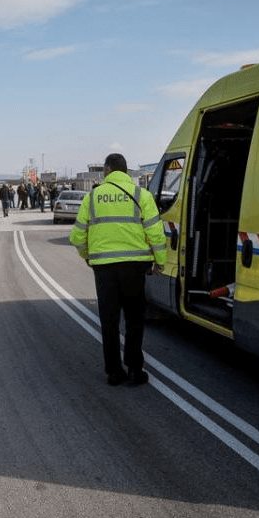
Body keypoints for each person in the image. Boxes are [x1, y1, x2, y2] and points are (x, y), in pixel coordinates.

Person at [69, 153, 166, 386]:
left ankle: (114, 372)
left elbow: (77, 235)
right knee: (134, 319)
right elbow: (155, 233)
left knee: (109, 321)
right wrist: (159, 261)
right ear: (126, 171)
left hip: (104, 269)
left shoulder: (92, 197)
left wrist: (87, 256)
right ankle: (134, 369)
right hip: (135, 267)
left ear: (107, 170)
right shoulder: (141, 195)